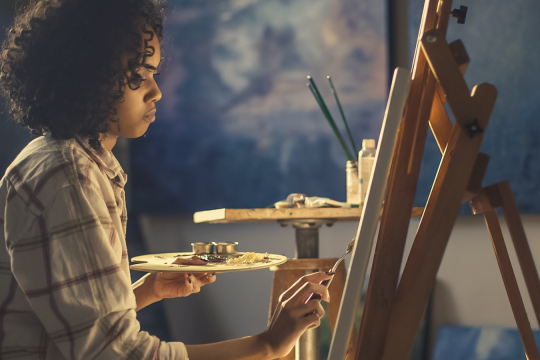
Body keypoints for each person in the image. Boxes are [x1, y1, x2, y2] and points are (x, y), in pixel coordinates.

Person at [0, 0, 332, 359]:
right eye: (139, 76)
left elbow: (67, 322)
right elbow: (119, 354)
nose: (156, 91)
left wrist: (147, 290)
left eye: (155, 74)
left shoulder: (65, 161)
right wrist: (267, 345)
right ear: (89, 77)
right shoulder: (70, 179)